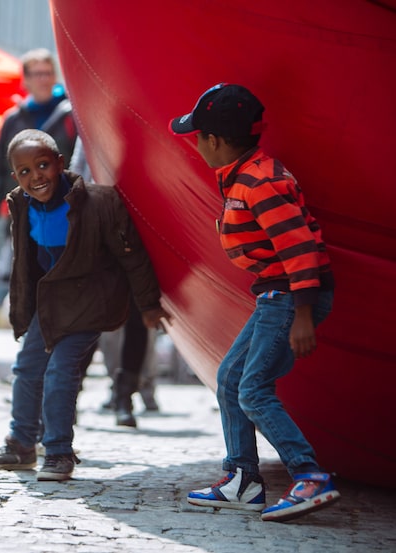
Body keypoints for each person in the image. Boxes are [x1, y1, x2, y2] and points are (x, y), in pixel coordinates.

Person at [170, 83, 339, 522]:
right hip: (275, 295)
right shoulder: (240, 175)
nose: (197, 144)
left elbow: (299, 249)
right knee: (230, 378)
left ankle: (309, 475)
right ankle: (243, 478)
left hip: (288, 297)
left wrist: (302, 315)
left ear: (217, 141)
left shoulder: (259, 182)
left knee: (253, 388)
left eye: (198, 136)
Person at [0, 130, 170, 481]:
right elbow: (25, 264)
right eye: (24, 171)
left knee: (61, 372)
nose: (36, 177)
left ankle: (59, 451)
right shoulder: (20, 203)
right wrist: (22, 308)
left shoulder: (98, 203)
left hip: (88, 302)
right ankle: (21, 444)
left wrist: (149, 304)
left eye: (43, 165)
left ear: (61, 163)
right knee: (27, 368)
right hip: (49, 306)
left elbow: (132, 256)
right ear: (15, 176)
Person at [0, 48, 77, 310]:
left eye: (49, 73)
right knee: (26, 284)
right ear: (26, 79)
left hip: (65, 213)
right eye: (38, 73)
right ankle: (35, 341)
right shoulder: (14, 119)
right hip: (24, 214)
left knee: (63, 284)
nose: (44, 79)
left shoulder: (71, 113)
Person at [69, 136, 160, 427]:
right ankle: (70, 396)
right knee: (90, 316)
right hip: (97, 221)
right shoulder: (90, 117)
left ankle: (125, 396)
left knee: (138, 312)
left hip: (138, 221)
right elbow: (77, 169)